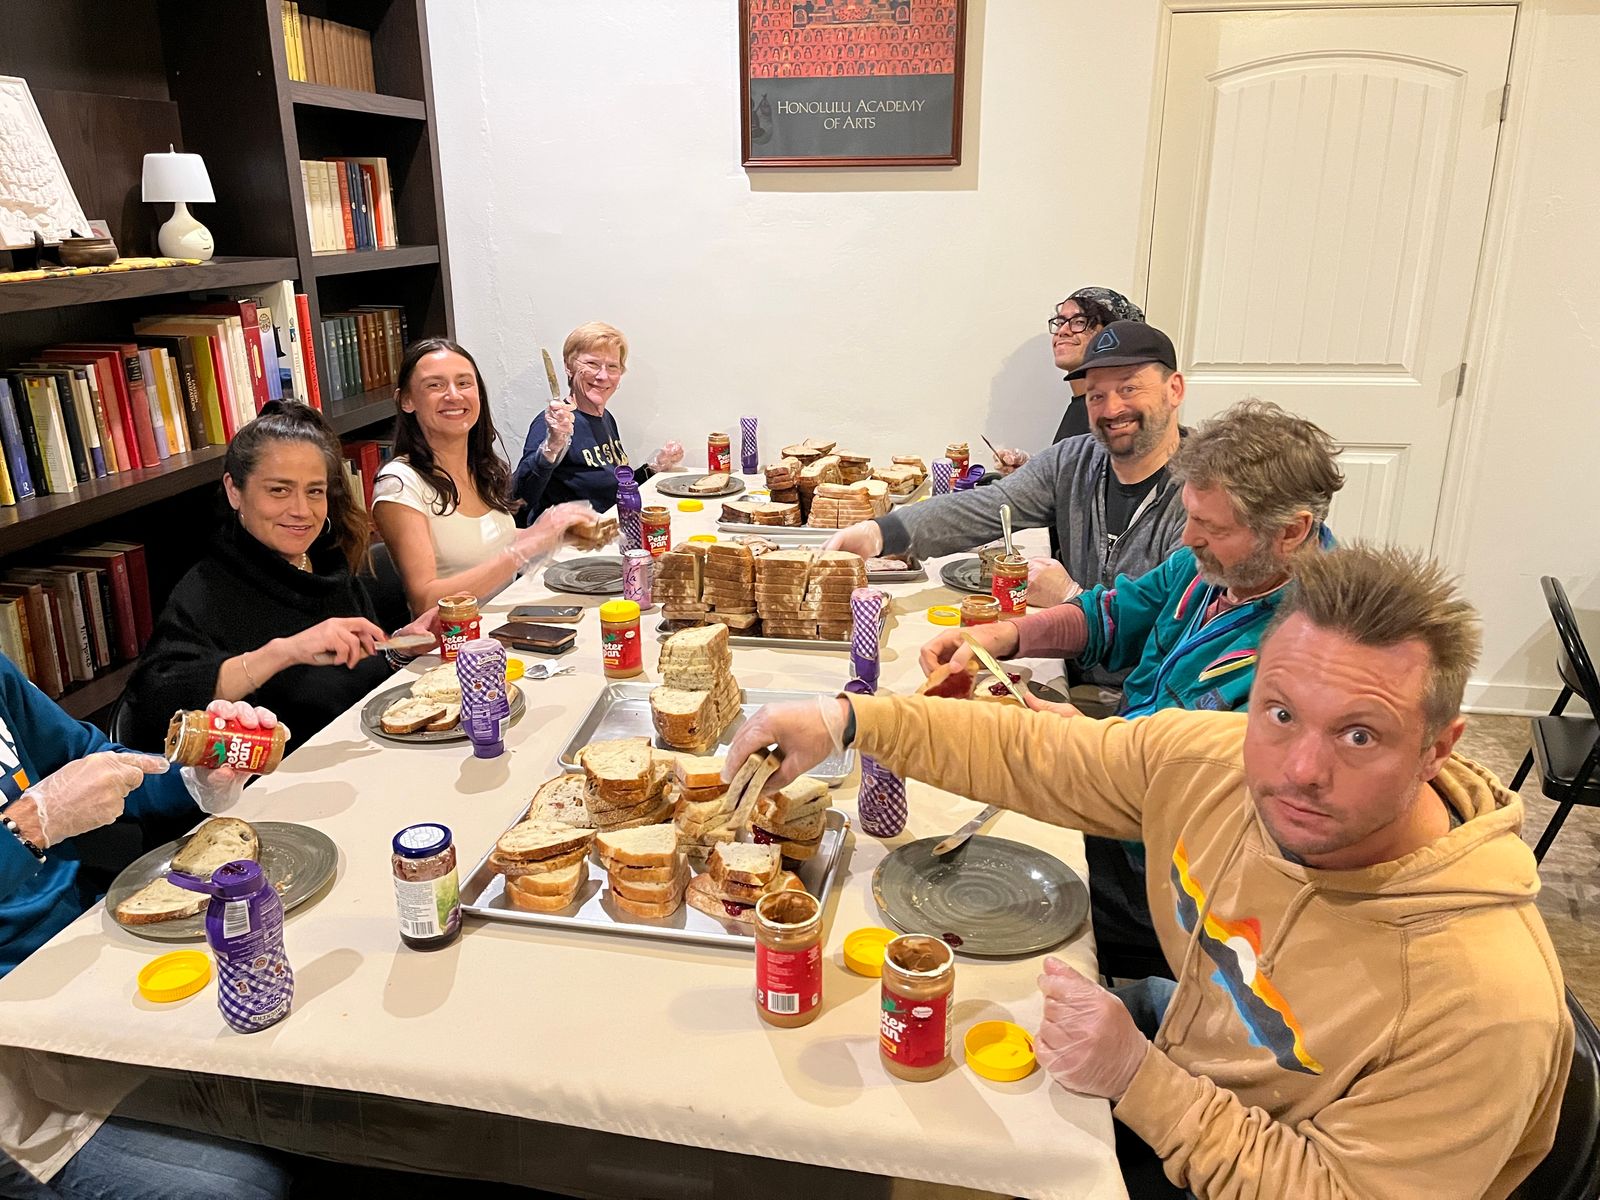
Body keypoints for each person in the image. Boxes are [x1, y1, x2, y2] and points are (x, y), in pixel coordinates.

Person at [725, 546, 1572, 1200]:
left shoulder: (1481, 1002)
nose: (1300, 770)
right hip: (1189, 1058)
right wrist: (847, 719)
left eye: (1360, 735)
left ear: (1438, 748)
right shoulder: (1218, 762)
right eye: (1280, 713)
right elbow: (1039, 752)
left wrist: (1140, 1080)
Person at [923, 399, 1344, 971]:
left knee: (960, 904)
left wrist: (1094, 746)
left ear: (1291, 531)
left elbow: (1220, 796)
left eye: (1212, 527)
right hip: (1121, 797)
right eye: (1190, 515)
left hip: (1176, 879)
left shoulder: (1319, 650)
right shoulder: (1213, 567)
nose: (1188, 538)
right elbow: (1110, 616)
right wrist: (1003, 636)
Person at [0, 681, 294, 1197]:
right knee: (240, 1185)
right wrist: (26, 829)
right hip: (17, 1046)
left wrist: (195, 775)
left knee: (297, 1083)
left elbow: (91, 761)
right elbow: (41, 815)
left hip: (86, 946)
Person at [826, 319, 1188, 642]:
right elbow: (985, 506)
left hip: (1142, 692)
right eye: (1096, 395)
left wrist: (1073, 599)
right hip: (1071, 662)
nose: (1111, 409)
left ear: (1174, 389)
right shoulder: (1074, 460)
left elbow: (1178, 630)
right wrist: (879, 533)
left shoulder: (1202, 495)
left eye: (1128, 389)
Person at [124, 402, 431, 755]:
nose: (301, 510)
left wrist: (400, 648)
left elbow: (356, 679)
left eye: (314, 491)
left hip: (366, 755)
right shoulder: (206, 589)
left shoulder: (328, 563)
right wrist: (284, 652)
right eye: (279, 490)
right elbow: (156, 702)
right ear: (234, 490)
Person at [372, 338, 602, 615]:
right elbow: (426, 600)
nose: (454, 395)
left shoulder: (480, 468)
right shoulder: (399, 483)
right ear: (407, 401)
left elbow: (485, 543)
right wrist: (527, 546)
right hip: (454, 637)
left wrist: (558, 532)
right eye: (435, 385)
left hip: (503, 621)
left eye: (464, 383)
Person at [511, 321, 684, 525]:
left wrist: (654, 467)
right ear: (569, 366)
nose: (603, 376)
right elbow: (519, 500)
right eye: (592, 364)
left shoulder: (606, 419)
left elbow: (612, 491)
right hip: (572, 539)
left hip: (610, 530)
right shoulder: (552, 425)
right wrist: (550, 449)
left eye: (612, 367)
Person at [992, 286, 1147, 476]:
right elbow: (1076, 476)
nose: (1063, 331)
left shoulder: (1117, 413)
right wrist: (1033, 471)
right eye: (1060, 323)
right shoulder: (1079, 406)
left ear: (1112, 335)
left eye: (1079, 322)